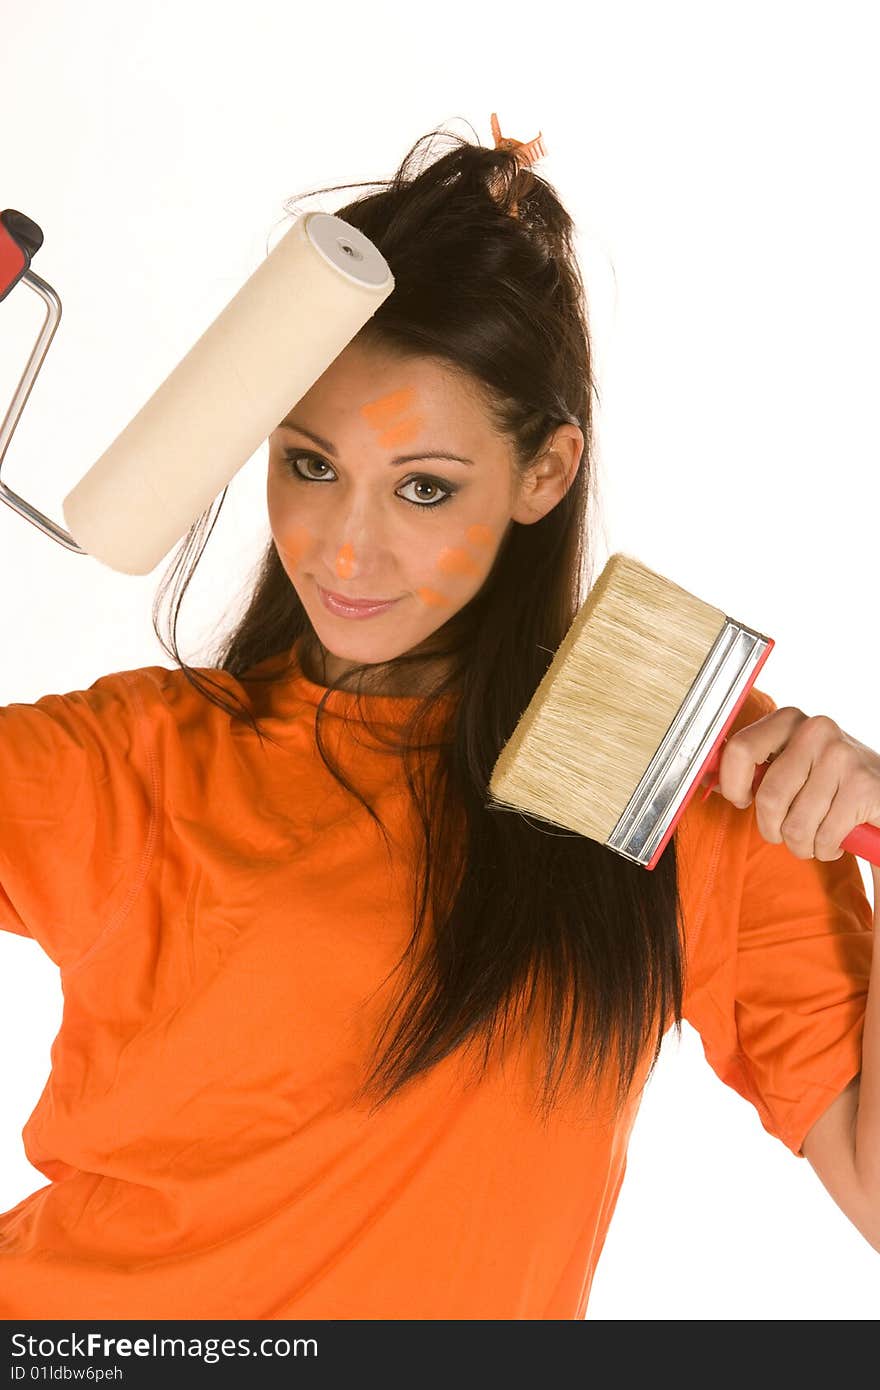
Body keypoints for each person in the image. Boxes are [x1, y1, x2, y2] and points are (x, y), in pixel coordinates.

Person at [0, 115, 877, 1321]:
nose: (344, 547)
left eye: (423, 486)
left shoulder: (686, 765)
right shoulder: (136, 760)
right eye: (310, 465)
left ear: (545, 473)